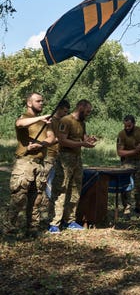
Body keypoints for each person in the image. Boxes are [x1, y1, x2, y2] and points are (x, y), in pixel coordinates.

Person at [2, 92, 55, 236]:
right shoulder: (24, 118)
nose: (42, 103)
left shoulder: (46, 122)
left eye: (43, 101)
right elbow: (19, 124)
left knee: (36, 198)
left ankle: (32, 228)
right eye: (38, 101)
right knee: (19, 197)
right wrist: (41, 118)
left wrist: (41, 144)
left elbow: (52, 138)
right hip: (24, 163)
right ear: (29, 103)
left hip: (40, 163)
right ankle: (9, 228)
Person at [49, 99, 97, 233]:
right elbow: (63, 141)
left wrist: (89, 141)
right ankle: (54, 222)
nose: (88, 114)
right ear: (80, 107)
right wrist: (82, 144)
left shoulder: (82, 122)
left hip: (77, 159)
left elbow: (83, 138)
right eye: (87, 111)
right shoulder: (66, 120)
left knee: (75, 189)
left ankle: (69, 220)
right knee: (61, 189)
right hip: (65, 158)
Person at [34, 99, 70, 223]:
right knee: (44, 185)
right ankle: (41, 215)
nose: (65, 113)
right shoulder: (50, 121)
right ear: (59, 108)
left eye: (67, 112)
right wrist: (61, 138)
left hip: (60, 157)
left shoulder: (64, 122)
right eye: (64, 111)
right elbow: (50, 138)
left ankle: (52, 214)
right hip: (49, 157)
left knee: (56, 187)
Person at [116, 115, 140, 215]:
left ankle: (139, 207)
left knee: (139, 186)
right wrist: (134, 151)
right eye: (125, 126)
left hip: (139, 161)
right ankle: (127, 207)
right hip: (127, 162)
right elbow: (120, 152)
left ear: (134, 124)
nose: (127, 128)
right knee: (126, 186)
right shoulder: (121, 134)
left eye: (129, 126)